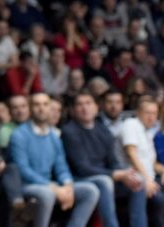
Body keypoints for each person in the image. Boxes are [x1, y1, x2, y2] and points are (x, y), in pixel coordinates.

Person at [9, 93, 100, 227]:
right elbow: (23, 170)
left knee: (90, 190)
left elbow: (61, 166)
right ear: (30, 108)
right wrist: (53, 187)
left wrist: (68, 185)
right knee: (47, 194)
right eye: (36, 104)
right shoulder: (19, 135)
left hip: (50, 185)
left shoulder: (53, 136)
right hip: (27, 185)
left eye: (45, 104)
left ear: (50, 108)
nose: (41, 108)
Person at [61, 92, 148, 227]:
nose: (85, 108)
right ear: (73, 110)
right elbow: (82, 168)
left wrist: (126, 173)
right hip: (79, 178)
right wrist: (115, 174)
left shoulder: (103, 130)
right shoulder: (69, 131)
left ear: (96, 107)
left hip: (105, 177)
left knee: (138, 180)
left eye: (88, 103)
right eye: (79, 104)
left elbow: (113, 162)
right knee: (104, 181)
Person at [120, 97, 164, 227]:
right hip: (136, 178)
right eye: (147, 112)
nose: (151, 117)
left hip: (153, 177)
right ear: (138, 112)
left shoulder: (147, 133)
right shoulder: (132, 124)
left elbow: (153, 163)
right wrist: (148, 180)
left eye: (154, 113)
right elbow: (131, 153)